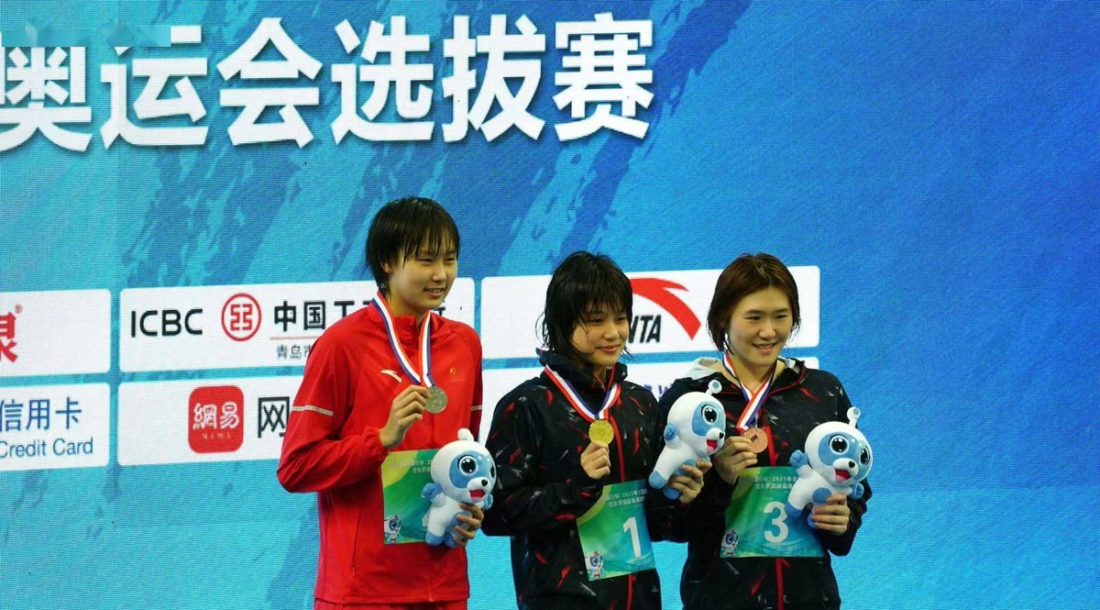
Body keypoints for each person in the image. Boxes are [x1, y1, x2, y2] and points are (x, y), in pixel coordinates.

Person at [277, 197, 484, 610]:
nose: (441, 274)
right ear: (388, 262)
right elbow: (295, 468)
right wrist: (380, 440)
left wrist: (469, 511)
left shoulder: (464, 345)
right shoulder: (342, 346)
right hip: (363, 593)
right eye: (425, 260)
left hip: (443, 585)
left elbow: (467, 457)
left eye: (450, 259)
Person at [482, 251, 708, 610]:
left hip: (640, 598)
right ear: (561, 324)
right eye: (595, 320)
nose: (612, 333)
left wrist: (677, 497)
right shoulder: (526, 405)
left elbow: (659, 525)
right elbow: (495, 513)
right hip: (559, 601)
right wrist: (578, 488)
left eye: (620, 318)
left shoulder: (640, 404)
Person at [662, 253, 871, 610]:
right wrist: (720, 480)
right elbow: (669, 523)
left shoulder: (822, 391)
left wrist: (843, 519)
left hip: (810, 598)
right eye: (754, 317)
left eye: (781, 316)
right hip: (718, 599)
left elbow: (856, 490)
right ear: (723, 317)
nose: (769, 331)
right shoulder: (689, 400)